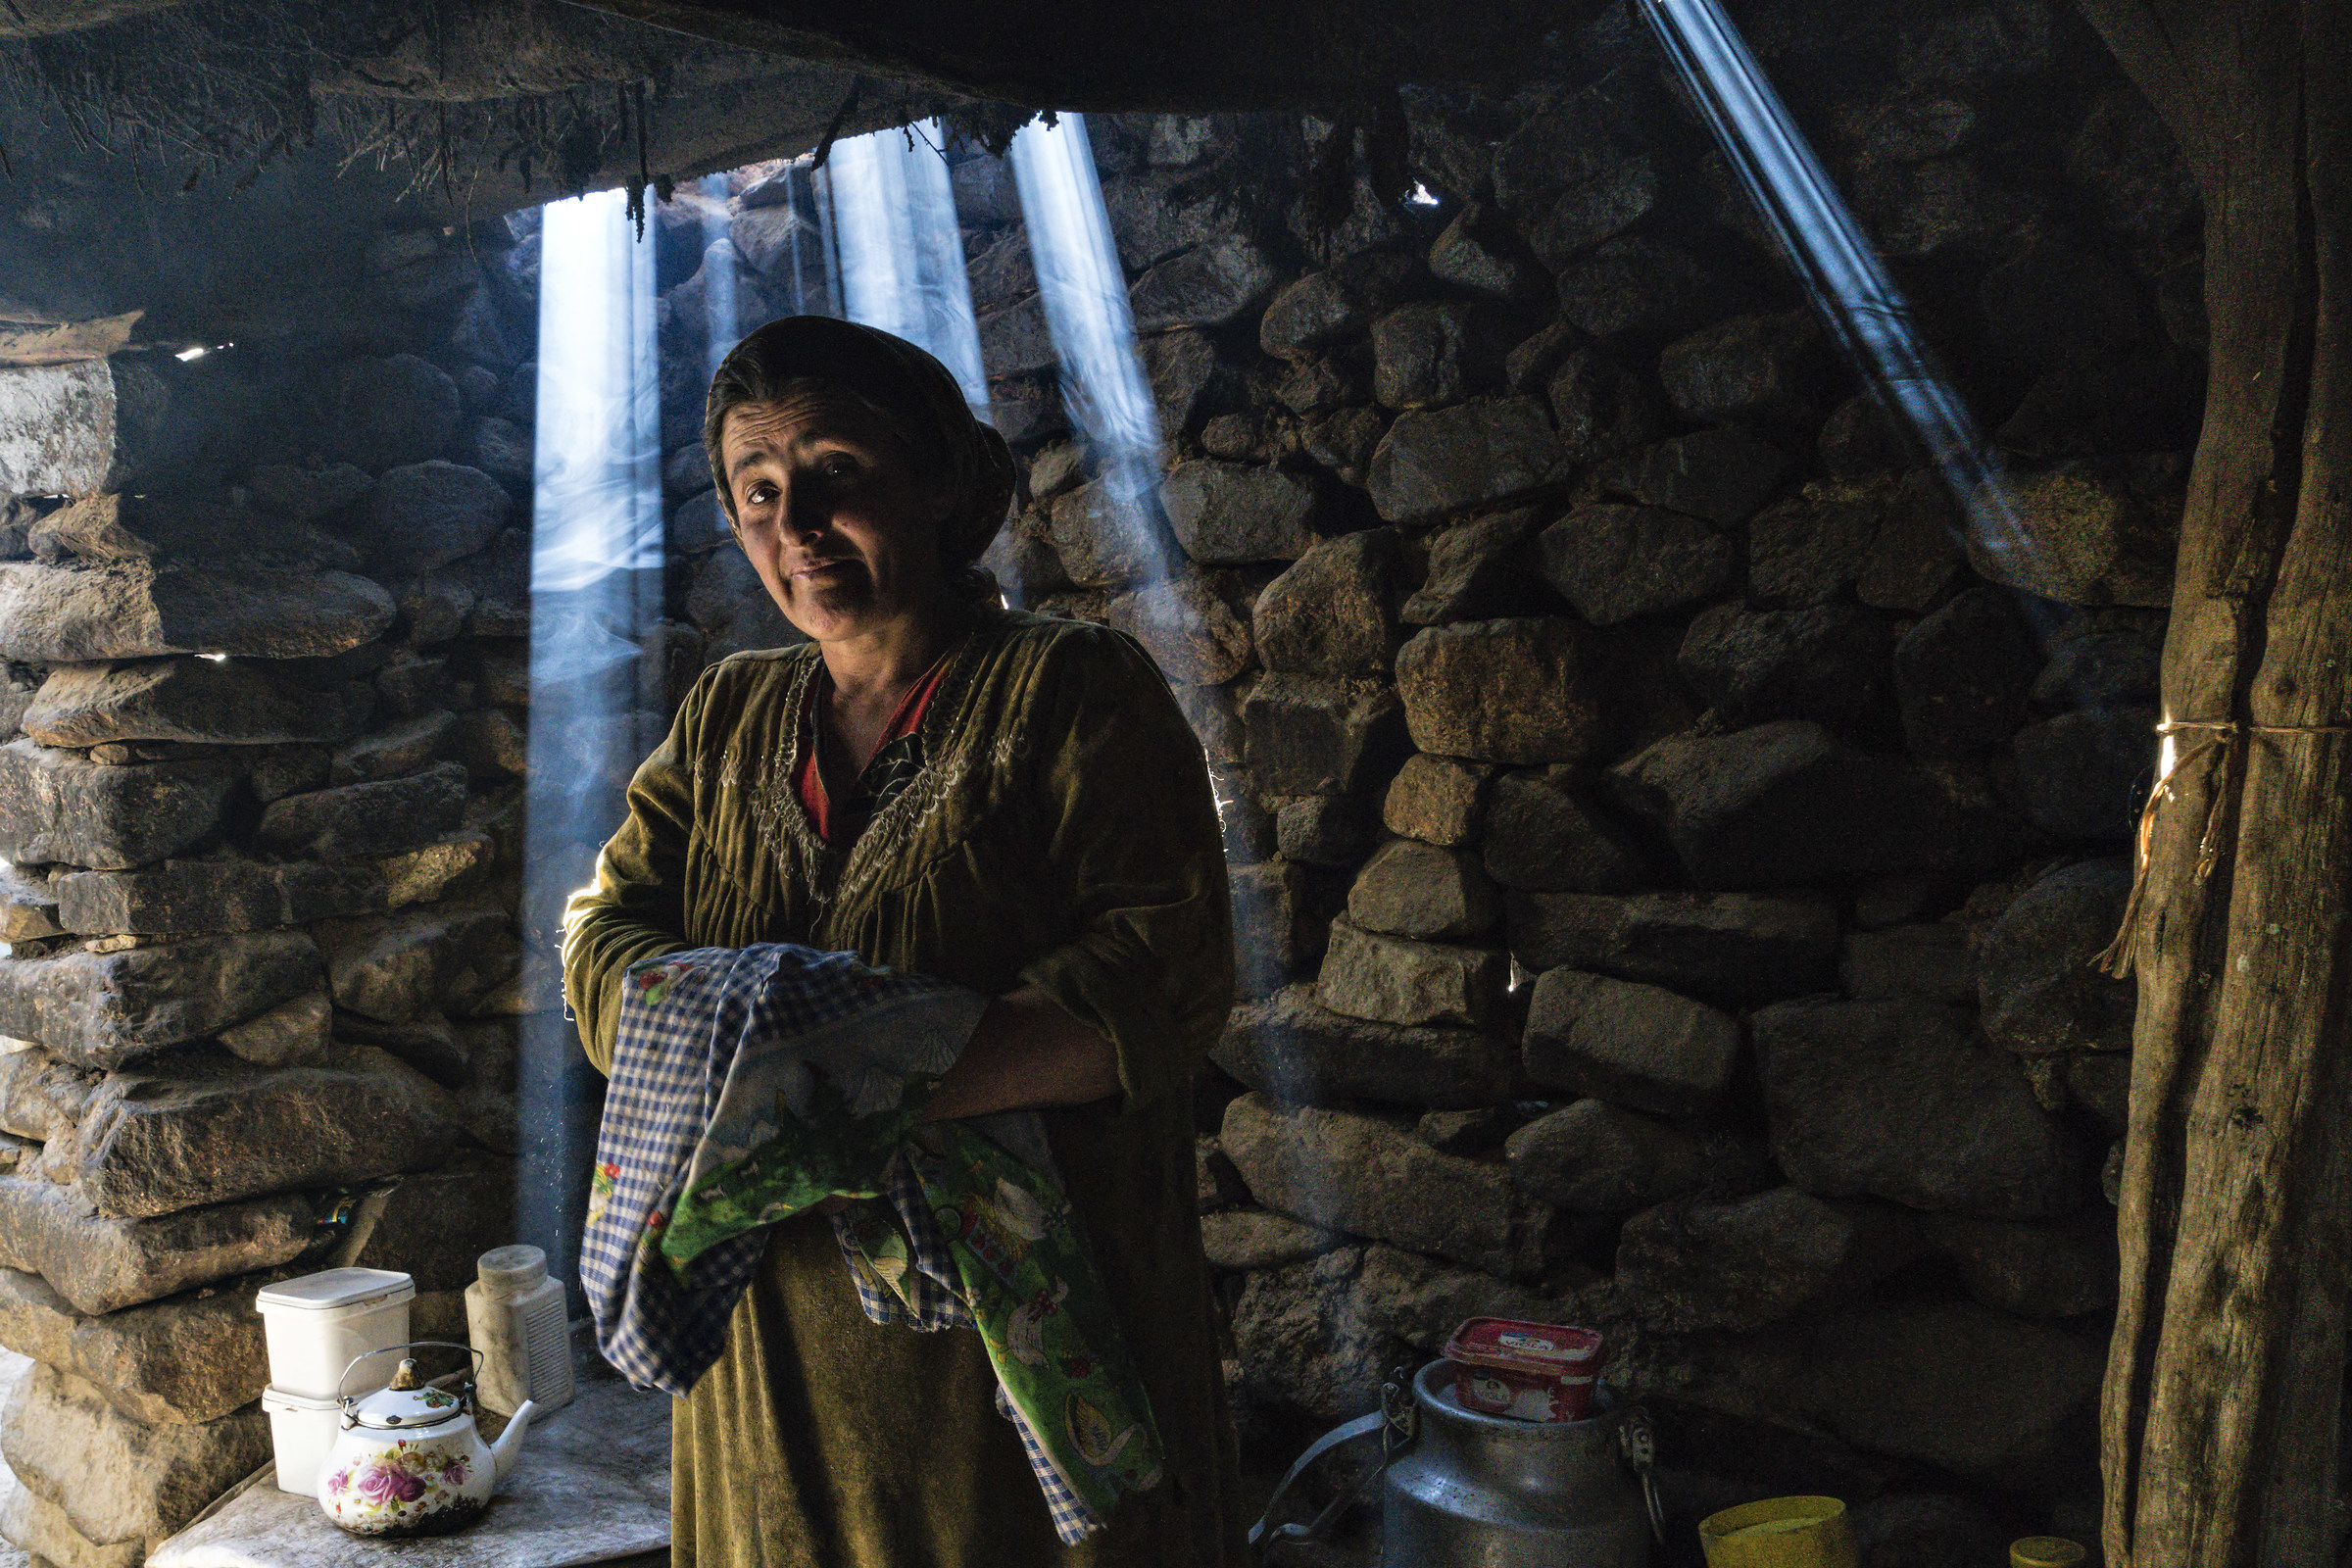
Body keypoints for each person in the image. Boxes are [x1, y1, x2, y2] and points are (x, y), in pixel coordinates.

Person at [561, 315, 1243, 1568]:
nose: (797, 527)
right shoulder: (727, 715)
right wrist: (741, 1029)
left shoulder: (1073, 691)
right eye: (758, 493)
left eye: (837, 475)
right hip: (763, 1353)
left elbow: (1159, 981)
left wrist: (840, 1073)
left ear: (936, 480)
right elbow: (606, 934)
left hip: (998, 1366)